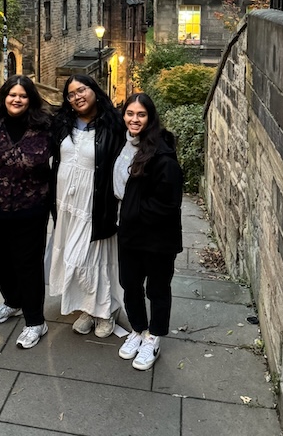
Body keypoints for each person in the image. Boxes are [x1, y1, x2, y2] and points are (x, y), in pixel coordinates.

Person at [48, 74, 124, 338]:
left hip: (95, 203)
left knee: (92, 259)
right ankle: (87, 309)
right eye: (71, 94)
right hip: (66, 204)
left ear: (94, 90)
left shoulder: (113, 124)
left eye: (82, 90)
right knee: (75, 258)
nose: (77, 96)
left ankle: (105, 310)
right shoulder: (62, 123)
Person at [0, 75, 52, 349]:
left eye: (22, 95)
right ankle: (13, 301)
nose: (17, 99)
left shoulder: (45, 127)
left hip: (31, 210)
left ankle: (36, 321)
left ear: (30, 99)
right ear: (4, 96)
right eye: (12, 94)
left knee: (28, 266)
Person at [113, 93, 183, 370]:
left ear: (150, 118)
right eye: (130, 113)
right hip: (128, 231)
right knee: (130, 284)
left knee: (156, 288)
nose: (134, 119)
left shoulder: (162, 155)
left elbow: (168, 203)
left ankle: (154, 336)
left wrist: (133, 213)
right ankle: (139, 330)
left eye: (141, 114)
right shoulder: (124, 144)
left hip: (156, 237)